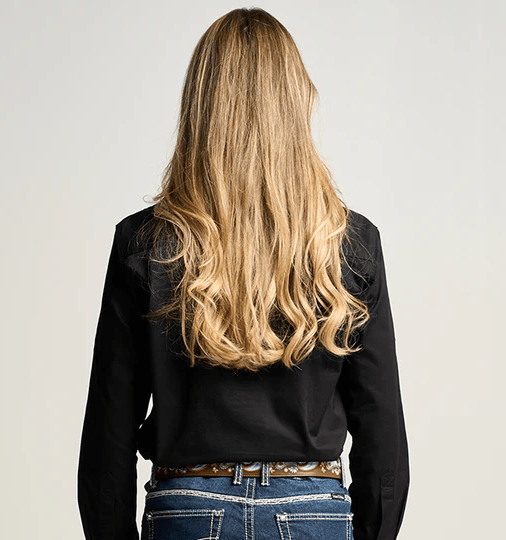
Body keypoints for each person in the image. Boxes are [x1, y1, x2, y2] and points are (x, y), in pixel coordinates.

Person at [77, 7, 409, 540]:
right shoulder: (349, 244)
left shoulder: (146, 242)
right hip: (311, 511)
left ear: (200, 105)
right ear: (296, 103)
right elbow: (382, 432)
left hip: (187, 509)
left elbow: (107, 437)